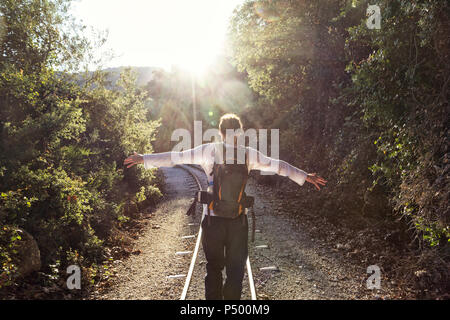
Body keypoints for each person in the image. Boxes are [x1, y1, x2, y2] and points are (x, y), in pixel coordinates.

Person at [123, 113, 327, 300]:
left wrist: (144, 159)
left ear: (220, 133)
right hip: (238, 221)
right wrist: (305, 176)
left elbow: (175, 157)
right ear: (239, 132)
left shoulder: (208, 150)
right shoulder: (248, 154)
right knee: (236, 271)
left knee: (213, 268)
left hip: (212, 220)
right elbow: (280, 166)